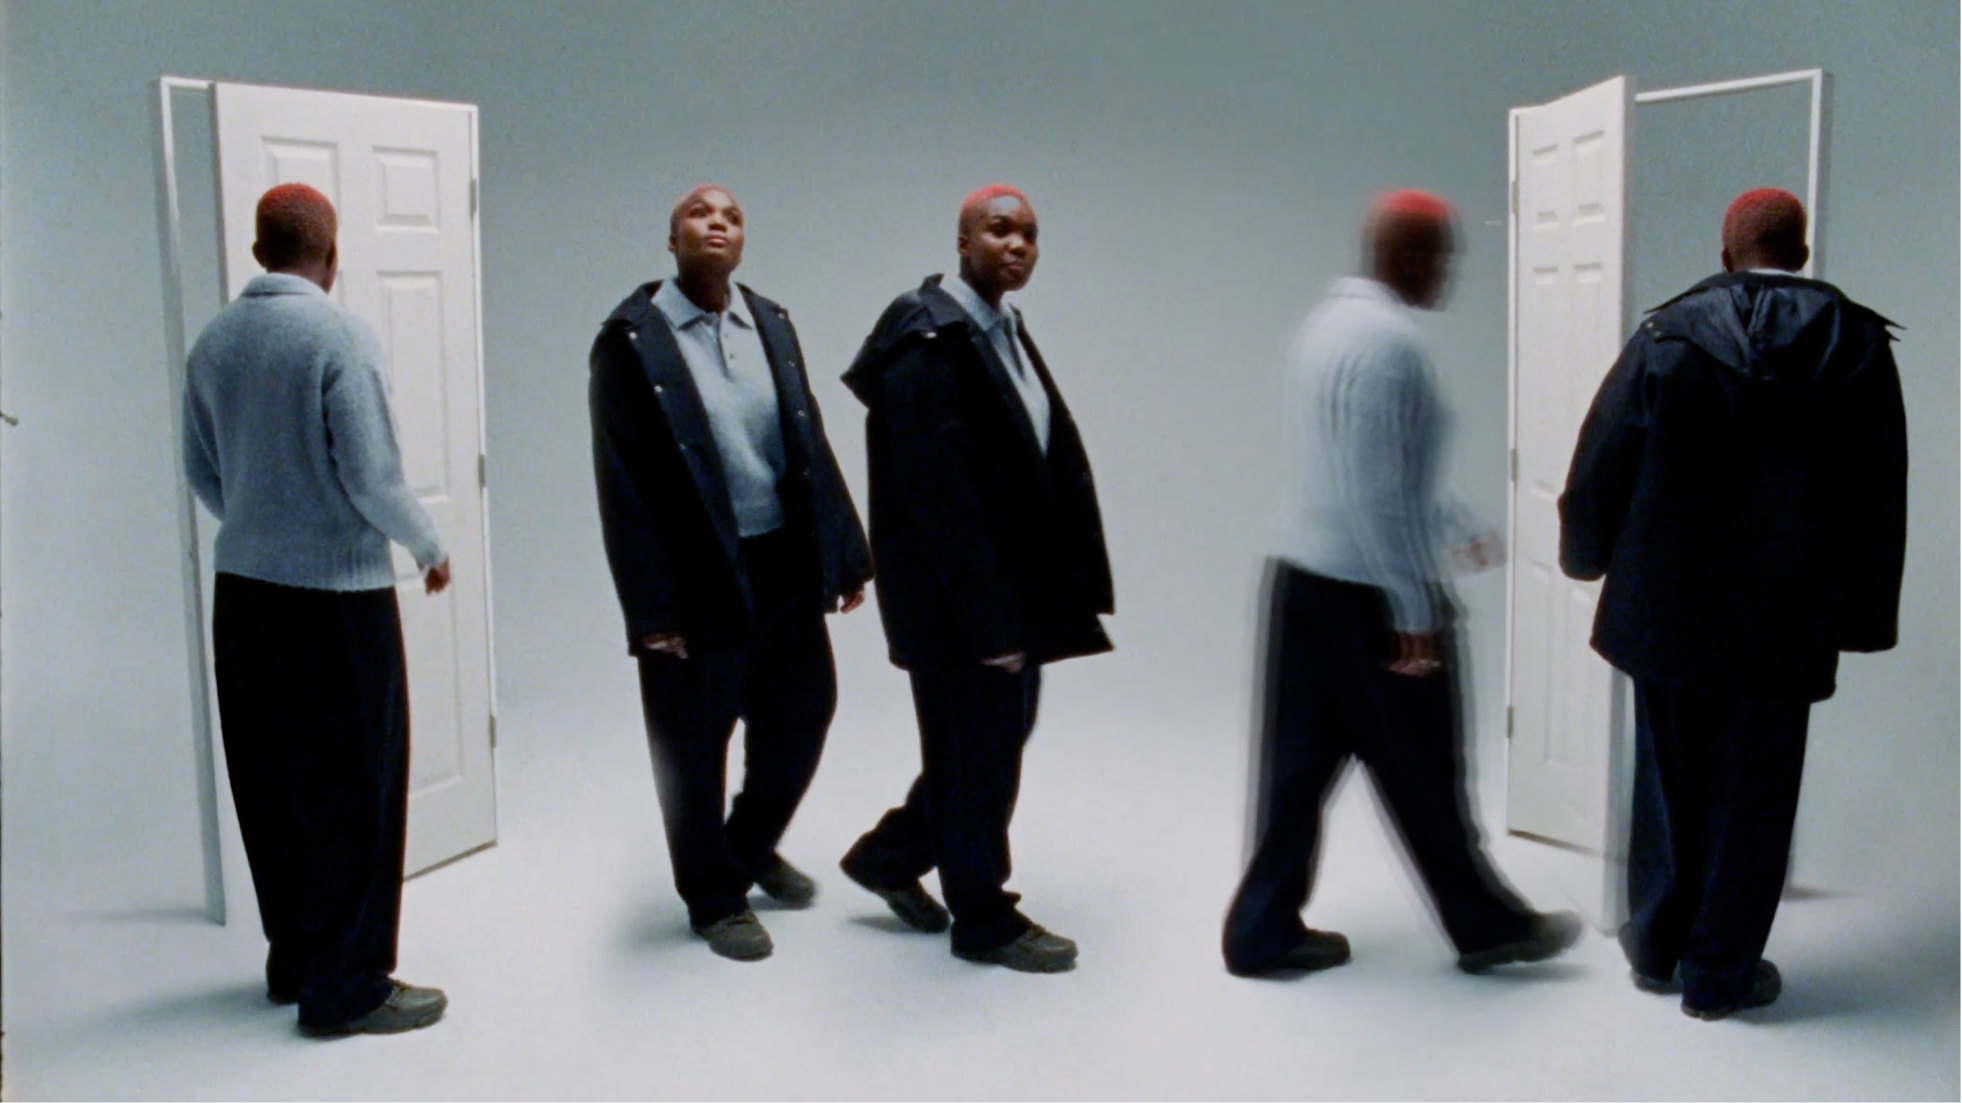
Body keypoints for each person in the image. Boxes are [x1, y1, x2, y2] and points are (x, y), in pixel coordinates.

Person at [1560, 187, 1907, 1020]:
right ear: (1803, 253)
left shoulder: (1667, 338)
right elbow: (1878, 493)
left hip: (1665, 607)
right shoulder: (1859, 347)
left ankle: (1656, 947)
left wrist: (1585, 554)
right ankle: (1719, 974)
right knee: (1756, 796)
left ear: (1725, 256)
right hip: (1787, 616)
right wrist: (1863, 616)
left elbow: (1604, 453)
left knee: (1668, 782)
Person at [1221, 189, 1582, 979]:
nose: (1449, 274)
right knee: (1427, 769)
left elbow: (1364, 462)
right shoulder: (1391, 344)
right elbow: (1377, 490)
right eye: (1443, 258)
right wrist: (1412, 606)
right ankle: (1485, 925)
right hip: (1371, 598)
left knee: (1295, 770)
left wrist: (1452, 519)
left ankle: (1261, 928)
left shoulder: (1325, 326)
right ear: (1409, 255)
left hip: (1301, 582)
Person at [182, 183, 451, 1037]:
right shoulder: (340, 336)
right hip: (337, 601)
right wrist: (428, 544)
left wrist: (259, 524)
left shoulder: (214, 342)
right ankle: (350, 987)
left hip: (243, 595)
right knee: (357, 791)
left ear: (258, 252)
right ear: (332, 255)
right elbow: (371, 476)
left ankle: (296, 958)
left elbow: (200, 468)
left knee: (273, 781)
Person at [590, 184, 872, 961]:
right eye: (699, 213)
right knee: (692, 741)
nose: (717, 221)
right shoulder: (631, 340)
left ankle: (744, 849)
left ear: (742, 240)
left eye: (733, 215)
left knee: (804, 710)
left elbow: (806, 437)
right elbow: (622, 484)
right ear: (672, 239)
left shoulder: (770, 321)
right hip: (695, 572)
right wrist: (651, 613)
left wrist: (844, 550)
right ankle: (712, 897)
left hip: (780, 558)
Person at [837, 185, 1114, 974]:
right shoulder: (928, 339)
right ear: (963, 243)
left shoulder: (998, 329)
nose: (1018, 245)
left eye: (1030, 233)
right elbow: (939, 499)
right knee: (977, 755)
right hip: (959, 604)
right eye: (999, 230)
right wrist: (990, 621)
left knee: (986, 746)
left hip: (1007, 592)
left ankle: (889, 857)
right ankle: (983, 916)